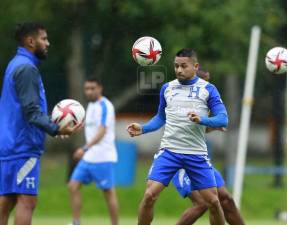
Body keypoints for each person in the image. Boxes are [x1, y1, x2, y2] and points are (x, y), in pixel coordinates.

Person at [127, 48, 228, 225]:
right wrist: (143, 128)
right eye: (176, 66)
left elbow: (223, 118)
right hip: (169, 152)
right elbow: (160, 117)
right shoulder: (167, 88)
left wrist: (202, 120)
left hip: (196, 154)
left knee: (213, 201)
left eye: (184, 66)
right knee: (150, 195)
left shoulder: (208, 89)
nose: (179, 70)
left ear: (195, 66)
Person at [0, 22, 81, 225]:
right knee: (27, 201)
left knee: (6, 202)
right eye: (43, 39)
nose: (48, 43)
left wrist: (54, 126)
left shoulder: (15, 63)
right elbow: (31, 112)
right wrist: (55, 128)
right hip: (23, 146)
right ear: (30, 41)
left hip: (9, 143)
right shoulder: (26, 69)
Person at [171, 68, 245, 225]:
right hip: (181, 160)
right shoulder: (181, 99)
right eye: (205, 81)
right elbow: (186, 126)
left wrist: (212, 125)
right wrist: (211, 123)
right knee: (203, 203)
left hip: (200, 160)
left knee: (226, 200)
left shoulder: (205, 98)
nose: (208, 84)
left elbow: (199, 126)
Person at [68, 78, 119, 225]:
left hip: (103, 157)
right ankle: (76, 222)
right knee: (73, 186)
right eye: (87, 88)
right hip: (89, 157)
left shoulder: (105, 105)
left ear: (100, 88)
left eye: (92, 88)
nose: (89, 91)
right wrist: (66, 129)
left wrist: (84, 148)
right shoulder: (90, 105)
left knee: (108, 193)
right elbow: (87, 125)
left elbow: (102, 131)